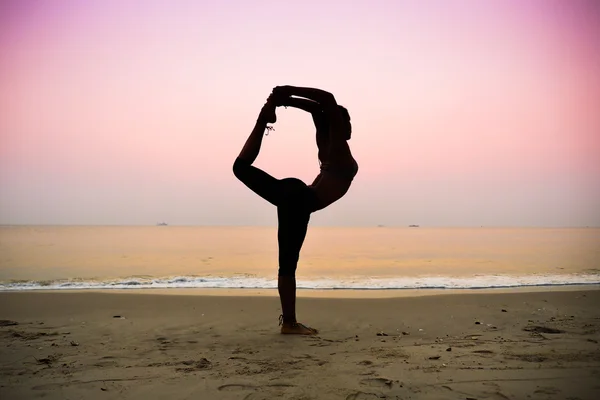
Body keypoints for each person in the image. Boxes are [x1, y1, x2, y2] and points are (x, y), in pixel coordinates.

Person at [232, 86, 358, 334]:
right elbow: (327, 101)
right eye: (348, 121)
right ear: (338, 124)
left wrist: (281, 101)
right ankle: (289, 324)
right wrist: (286, 92)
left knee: (240, 167)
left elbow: (315, 107)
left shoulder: (326, 142)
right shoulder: (337, 146)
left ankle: (262, 121)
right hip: (300, 200)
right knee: (287, 266)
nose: (351, 127)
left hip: (294, 194)